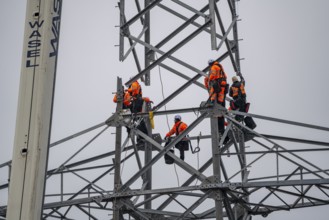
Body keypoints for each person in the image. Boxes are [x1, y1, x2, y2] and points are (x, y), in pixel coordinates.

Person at [205, 59, 228, 138]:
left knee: (213, 93)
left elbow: (213, 74)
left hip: (217, 83)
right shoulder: (219, 66)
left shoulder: (214, 67)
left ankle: (212, 103)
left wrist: (209, 79)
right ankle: (220, 105)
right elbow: (224, 76)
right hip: (222, 84)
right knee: (221, 99)